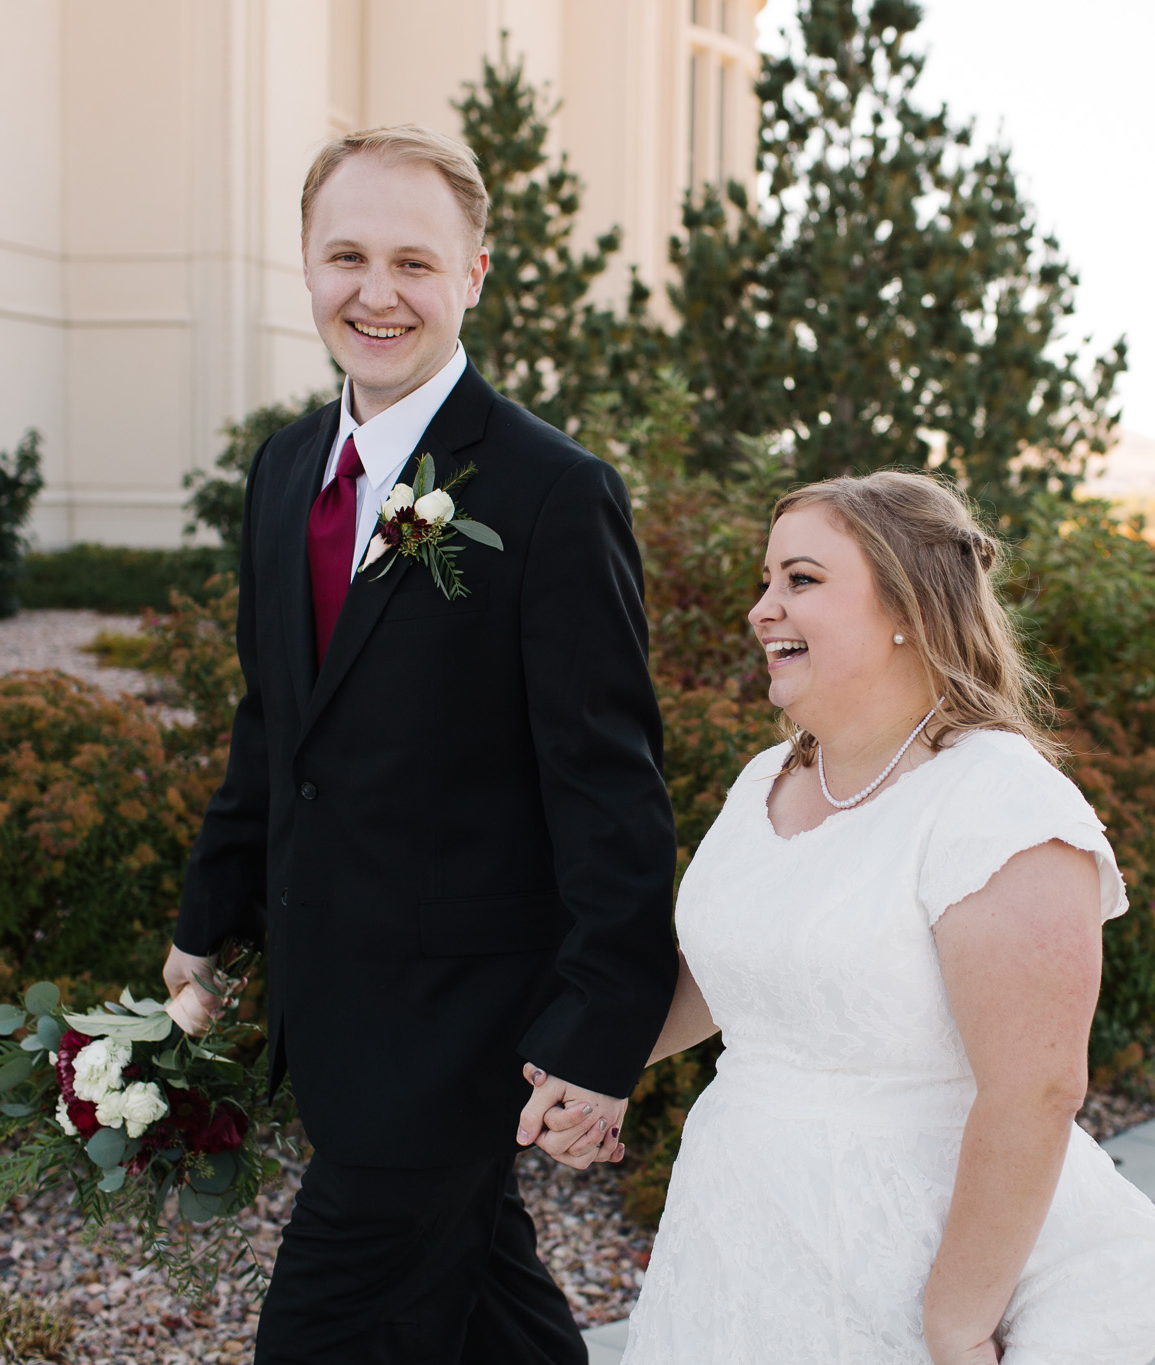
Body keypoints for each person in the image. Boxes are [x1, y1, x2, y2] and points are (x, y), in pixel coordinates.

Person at [163, 124, 678, 1364]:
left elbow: (608, 787)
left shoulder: (552, 492)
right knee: (491, 1306)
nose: (376, 293)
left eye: (413, 262)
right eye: (347, 256)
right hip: (330, 1002)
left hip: (461, 1026)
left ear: (474, 276)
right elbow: (274, 726)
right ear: (304, 263)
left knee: (324, 1332)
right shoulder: (285, 469)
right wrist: (207, 923)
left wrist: (601, 1034)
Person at [595, 472, 1155, 1363]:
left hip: (907, 1251)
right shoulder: (767, 780)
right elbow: (738, 980)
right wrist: (598, 1061)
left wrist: (957, 1324)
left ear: (909, 606)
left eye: (801, 579)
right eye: (765, 581)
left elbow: (1035, 1090)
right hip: (737, 1233)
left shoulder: (998, 801)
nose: (762, 609)